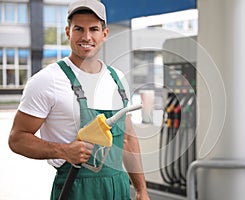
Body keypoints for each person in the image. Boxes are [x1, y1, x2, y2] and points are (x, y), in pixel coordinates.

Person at [8, 0, 150, 199]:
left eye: (93, 29)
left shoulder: (117, 79)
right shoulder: (47, 80)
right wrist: (64, 151)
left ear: (105, 34)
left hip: (118, 188)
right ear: (68, 32)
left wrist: (141, 190)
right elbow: (17, 138)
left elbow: (127, 138)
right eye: (79, 29)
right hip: (76, 189)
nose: (86, 37)